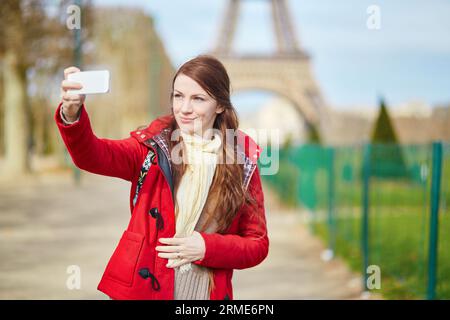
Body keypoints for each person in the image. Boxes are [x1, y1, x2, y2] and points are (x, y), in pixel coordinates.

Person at [56, 55, 269, 300]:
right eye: (178, 96)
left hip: (204, 293)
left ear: (220, 105)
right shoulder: (151, 147)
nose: (184, 108)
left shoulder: (242, 162)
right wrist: (71, 115)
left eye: (198, 99)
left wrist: (206, 247)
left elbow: (258, 244)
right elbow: (92, 156)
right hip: (145, 290)